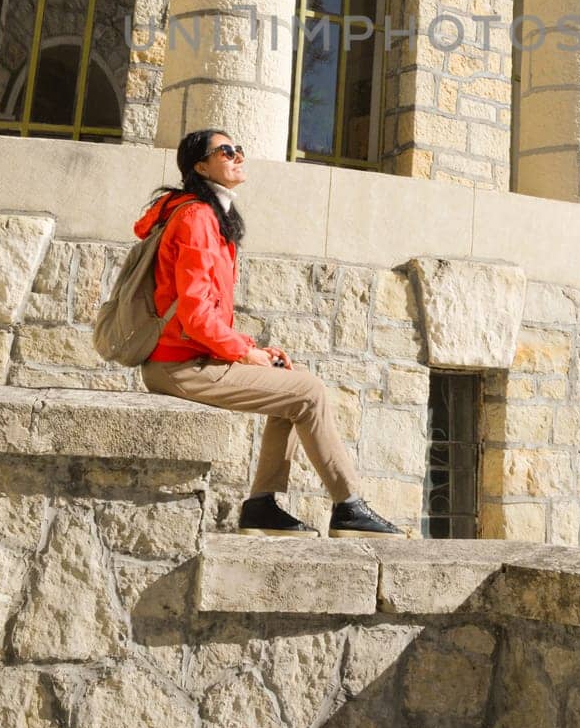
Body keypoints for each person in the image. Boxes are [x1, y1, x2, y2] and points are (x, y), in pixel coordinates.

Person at [137, 128, 402, 537]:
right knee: (309, 392)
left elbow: (202, 312)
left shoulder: (205, 213)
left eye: (239, 149)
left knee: (289, 391)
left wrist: (253, 349)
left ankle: (261, 506)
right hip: (180, 366)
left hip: (187, 358)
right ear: (201, 165)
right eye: (226, 151)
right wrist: (244, 353)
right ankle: (349, 506)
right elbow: (193, 314)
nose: (238, 156)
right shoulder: (196, 218)